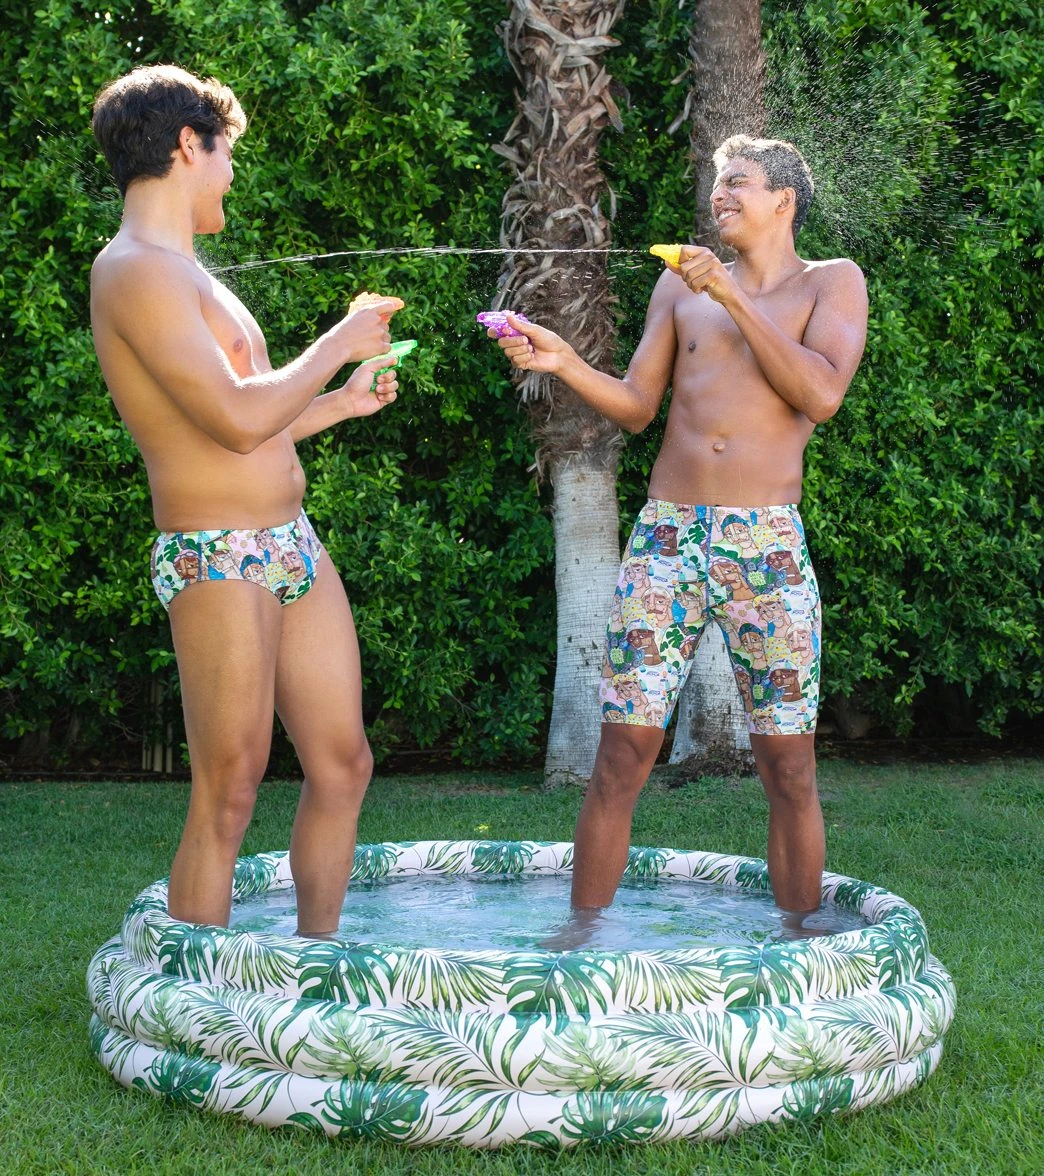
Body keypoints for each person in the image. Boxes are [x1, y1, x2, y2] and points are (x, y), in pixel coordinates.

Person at [489, 135, 868, 936]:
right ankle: (580, 945)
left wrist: (731, 296)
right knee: (621, 755)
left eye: (739, 183)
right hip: (666, 538)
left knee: (789, 768)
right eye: (718, 183)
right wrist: (564, 362)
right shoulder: (678, 288)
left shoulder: (830, 282)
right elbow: (636, 405)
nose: (719, 195)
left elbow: (821, 394)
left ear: (784, 201)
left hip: (765, 545)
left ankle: (800, 949)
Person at [90, 64, 404, 937]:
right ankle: (195, 996)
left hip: (289, 540)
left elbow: (249, 418)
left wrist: (339, 403)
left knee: (343, 765)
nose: (232, 175)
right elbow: (232, 419)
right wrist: (338, 342)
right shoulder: (133, 270)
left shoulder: (185, 270)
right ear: (188, 145)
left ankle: (312, 968)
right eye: (226, 154)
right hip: (218, 551)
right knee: (228, 789)